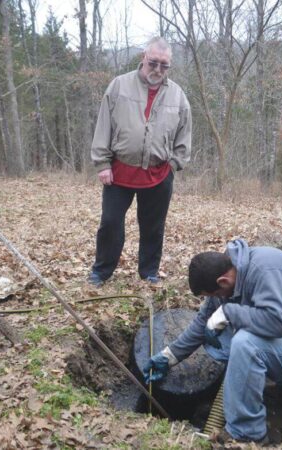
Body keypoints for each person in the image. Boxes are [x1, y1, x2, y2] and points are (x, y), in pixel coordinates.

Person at [143, 239, 282, 443]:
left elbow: (277, 323)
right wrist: (169, 356)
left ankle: (246, 434)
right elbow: (203, 322)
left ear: (222, 282)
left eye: (214, 295)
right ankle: (281, 390)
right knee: (224, 337)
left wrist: (229, 311)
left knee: (245, 343)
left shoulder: (265, 270)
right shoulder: (228, 274)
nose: (216, 299)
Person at [88, 37, 192, 286]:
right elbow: (104, 125)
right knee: (110, 223)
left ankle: (149, 273)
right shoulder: (118, 86)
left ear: (169, 66)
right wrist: (102, 164)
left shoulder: (177, 95)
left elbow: (185, 133)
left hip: (158, 174)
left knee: (153, 227)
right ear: (143, 58)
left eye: (164, 65)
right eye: (153, 63)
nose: (157, 69)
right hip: (119, 171)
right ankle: (101, 272)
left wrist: (175, 165)